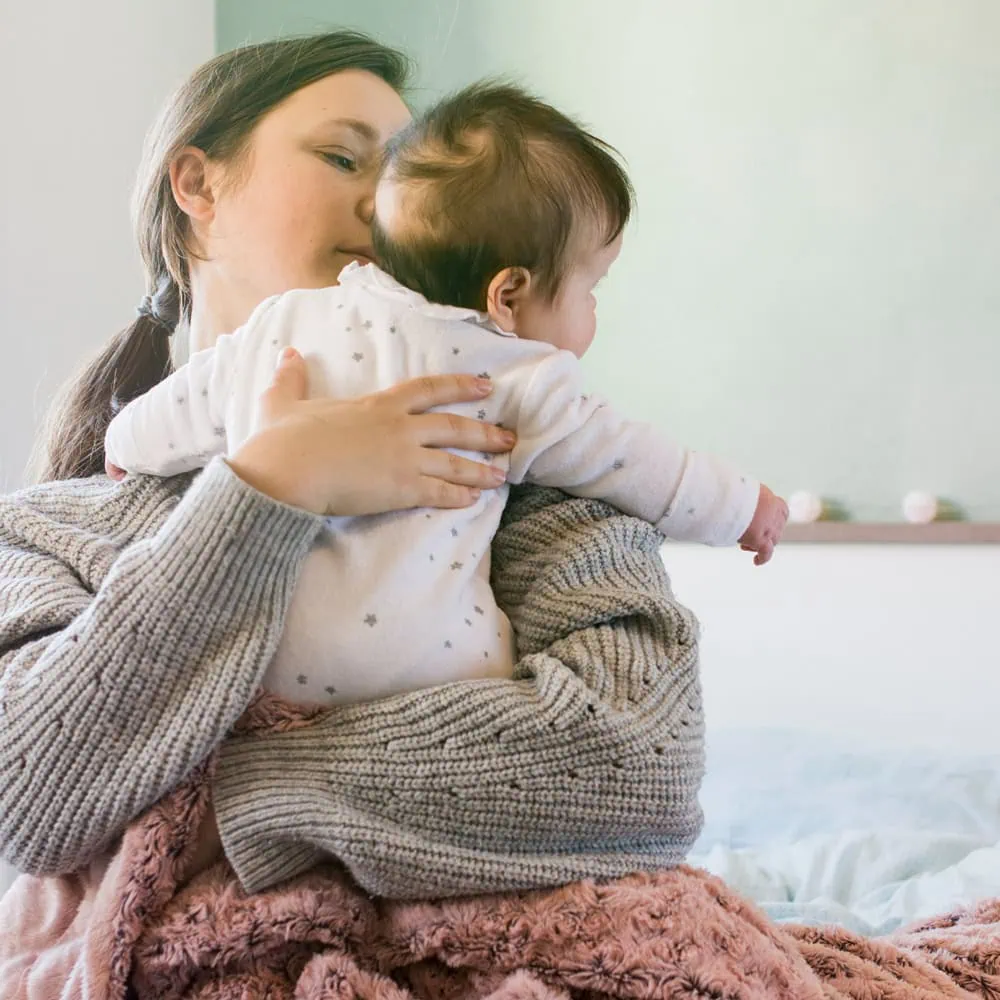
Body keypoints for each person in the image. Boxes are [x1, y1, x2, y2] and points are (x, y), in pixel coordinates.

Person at [1, 30, 705, 919]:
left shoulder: (520, 471)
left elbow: (641, 768)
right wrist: (270, 486)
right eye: (344, 157)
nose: (388, 203)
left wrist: (224, 799)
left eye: (414, 174)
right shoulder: (51, 525)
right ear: (197, 183)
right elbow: (26, 797)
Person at [102, 82, 787, 707]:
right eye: (592, 289)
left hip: (261, 675)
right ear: (508, 294)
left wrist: (123, 444)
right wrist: (741, 506)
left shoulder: (282, 327)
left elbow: (176, 410)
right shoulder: (516, 376)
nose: (370, 201)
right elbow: (641, 462)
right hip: (435, 682)